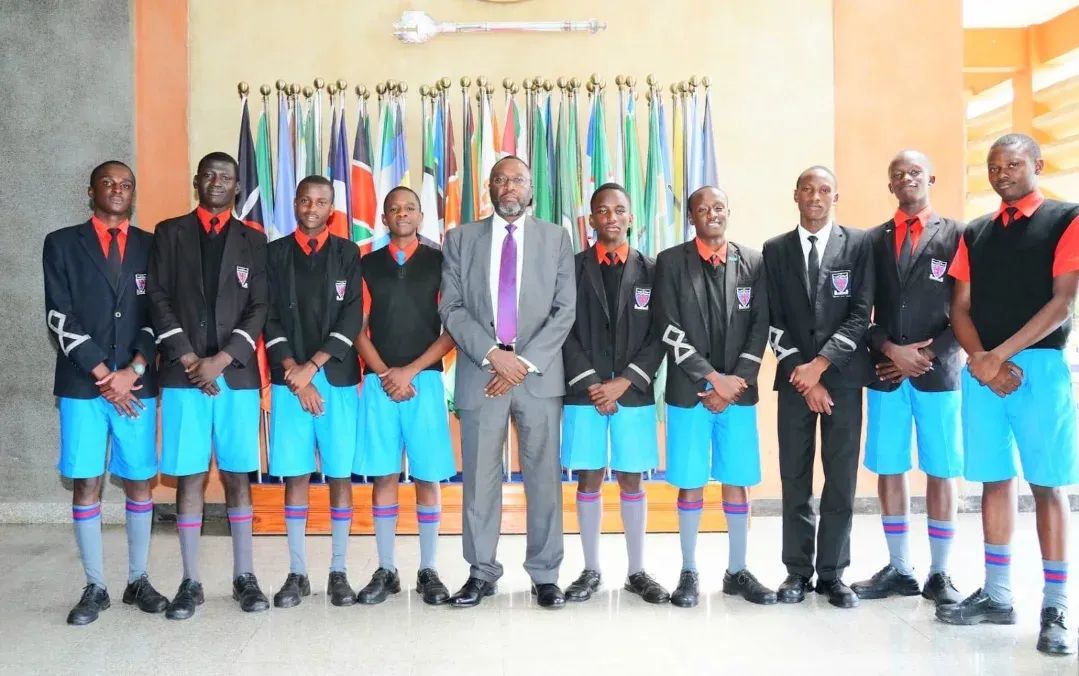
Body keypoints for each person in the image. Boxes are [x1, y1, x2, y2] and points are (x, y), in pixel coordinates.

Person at [936, 133, 1078, 656]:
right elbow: (960, 307)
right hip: (983, 372)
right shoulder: (975, 233)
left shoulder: (1066, 219)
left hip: (1037, 368)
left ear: (1036, 165)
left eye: (1014, 164)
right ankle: (997, 594)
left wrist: (1001, 356)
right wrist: (981, 360)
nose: (1003, 173)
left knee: (1047, 484)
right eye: (995, 166)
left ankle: (1057, 605)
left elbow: (1063, 302)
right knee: (994, 480)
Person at [439, 156, 576, 609]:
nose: (509, 187)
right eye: (500, 180)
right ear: (489, 189)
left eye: (517, 179)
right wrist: (494, 356)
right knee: (479, 479)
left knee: (544, 479)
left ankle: (545, 574)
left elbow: (564, 310)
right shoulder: (460, 239)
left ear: (531, 186)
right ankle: (481, 572)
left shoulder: (556, 238)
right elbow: (452, 308)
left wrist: (524, 362)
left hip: (538, 377)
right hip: (482, 372)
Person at [43, 160, 167, 625]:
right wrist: (103, 374)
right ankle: (95, 585)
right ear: (90, 190)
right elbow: (59, 316)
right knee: (86, 481)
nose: (118, 190)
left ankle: (138, 580)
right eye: (109, 183)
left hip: (136, 384)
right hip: (82, 385)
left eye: (126, 184)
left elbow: (160, 317)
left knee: (139, 478)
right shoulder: (60, 243)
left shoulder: (152, 247)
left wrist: (131, 370)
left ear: (134, 193)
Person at [148, 151, 269, 620]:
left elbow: (260, 306)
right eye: (210, 175)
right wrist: (189, 356)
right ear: (197, 180)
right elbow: (156, 298)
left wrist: (221, 359)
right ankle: (190, 581)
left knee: (238, 476)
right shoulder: (169, 233)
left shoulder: (254, 240)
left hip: (235, 375)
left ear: (238, 187)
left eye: (227, 177)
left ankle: (245, 577)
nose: (217, 182)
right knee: (190, 476)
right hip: (183, 375)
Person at [851, 150, 964, 607]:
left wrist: (927, 353)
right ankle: (899, 568)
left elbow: (966, 311)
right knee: (889, 467)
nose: (906, 179)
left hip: (940, 373)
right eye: (897, 175)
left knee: (941, 470)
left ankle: (941, 572)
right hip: (885, 372)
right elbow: (859, 313)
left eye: (914, 172)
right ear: (890, 186)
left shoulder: (958, 235)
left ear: (930, 177)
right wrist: (890, 350)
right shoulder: (874, 241)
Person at [653, 186, 774, 608]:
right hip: (690, 393)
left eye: (718, 207)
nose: (712, 214)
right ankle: (688, 571)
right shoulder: (669, 263)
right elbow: (667, 328)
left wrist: (734, 382)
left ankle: (737, 570)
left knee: (737, 482)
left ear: (729, 211)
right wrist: (710, 378)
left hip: (738, 394)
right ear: (691, 218)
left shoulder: (755, 262)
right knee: (690, 485)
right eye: (702, 209)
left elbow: (762, 327)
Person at [762, 166, 874, 609]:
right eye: (807, 189)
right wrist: (802, 375)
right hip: (794, 383)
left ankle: (833, 573)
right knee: (794, 477)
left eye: (824, 189)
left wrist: (822, 367)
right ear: (795, 195)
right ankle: (796, 571)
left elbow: (860, 313)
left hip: (843, 380)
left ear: (835, 196)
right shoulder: (775, 249)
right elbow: (772, 319)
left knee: (841, 478)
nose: (815, 196)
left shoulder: (860, 244)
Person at [561, 183, 668, 604]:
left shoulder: (654, 270)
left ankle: (637, 570)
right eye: (602, 211)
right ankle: (590, 569)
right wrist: (592, 381)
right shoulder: (570, 268)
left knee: (630, 475)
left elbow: (663, 332)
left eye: (619, 210)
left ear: (631, 218)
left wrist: (625, 380)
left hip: (633, 390)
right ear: (591, 220)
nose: (611, 217)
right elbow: (562, 329)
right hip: (584, 391)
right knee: (589, 475)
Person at [353, 186, 456, 606]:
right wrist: (384, 373)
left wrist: (409, 372)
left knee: (428, 476)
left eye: (410, 208)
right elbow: (356, 329)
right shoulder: (366, 265)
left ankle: (428, 568)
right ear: (383, 217)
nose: (402, 214)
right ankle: (386, 568)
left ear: (420, 216)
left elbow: (452, 330)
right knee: (384, 476)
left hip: (425, 381)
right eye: (394, 208)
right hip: (379, 383)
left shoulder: (440, 262)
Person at [264, 175, 362, 608]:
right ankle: (297, 572)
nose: (312, 207)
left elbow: (352, 317)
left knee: (340, 475)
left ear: (332, 208)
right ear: (294, 204)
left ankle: (338, 570)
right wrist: (293, 371)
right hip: (290, 384)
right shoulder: (273, 253)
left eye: (321, 201)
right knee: (297, 474)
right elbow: (267, 319)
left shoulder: (348, 252)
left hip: (335, 378)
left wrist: (313, 369)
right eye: (305, 200)